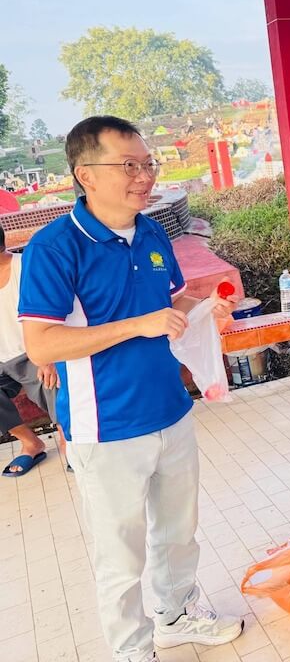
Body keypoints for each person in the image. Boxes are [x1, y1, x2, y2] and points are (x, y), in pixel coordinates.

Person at [18, 116, 243, 662]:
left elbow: (171, 304)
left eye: (148, 164)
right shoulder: (55, 247)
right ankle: (130, 650)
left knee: (178, 533)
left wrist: (206, 308)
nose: (145, 176)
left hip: (171, 410)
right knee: (120, 556)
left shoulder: (151, 232)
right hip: (106, 427)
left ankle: (176, 617)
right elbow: (42, 344)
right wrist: (137, 325)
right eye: (129, 165)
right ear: (86, 174)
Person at [0, 223, 61, 477]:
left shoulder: (26, 267)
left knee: (58, 391)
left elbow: (58, 312)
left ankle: (69, 441)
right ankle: (31, 443)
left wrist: (50, 357)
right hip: (2, 360)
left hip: (35, 353)